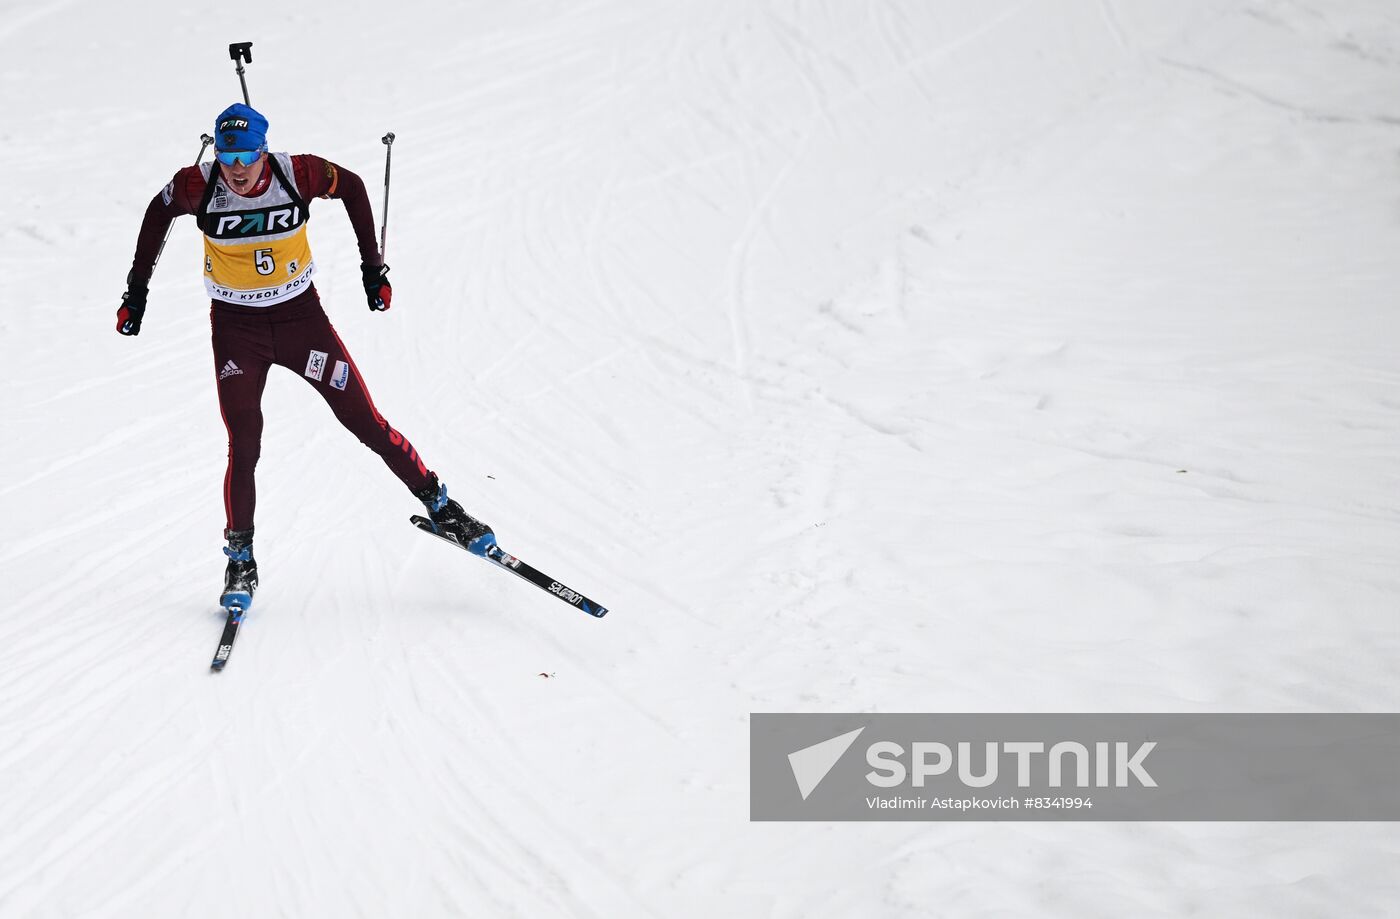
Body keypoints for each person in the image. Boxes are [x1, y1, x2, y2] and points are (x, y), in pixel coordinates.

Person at [118, 102, 492, 611]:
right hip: (237, 330)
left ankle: (441, 506)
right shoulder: (197, 184)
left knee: (363, 421)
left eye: (247, 156)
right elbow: (156, 214)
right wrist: (136, 293)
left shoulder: (298, 173)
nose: (237, 169)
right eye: (228, 157)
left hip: (301, 323)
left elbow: (353, 187)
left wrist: (372, 269)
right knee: (244, 441)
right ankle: (240, 559)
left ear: (263, 150)